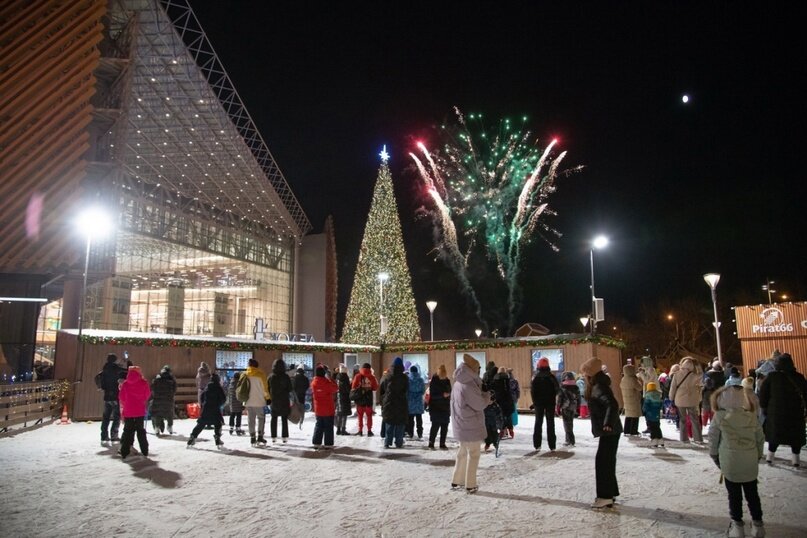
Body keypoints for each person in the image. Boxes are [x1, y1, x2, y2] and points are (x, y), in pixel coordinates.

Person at [709, 378, 766, 537]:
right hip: (749, 461)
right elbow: (760, 438)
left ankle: (738, 527)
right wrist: (757, 455)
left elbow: (713, 438)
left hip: (730, 461)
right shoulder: (751, 416)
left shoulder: (720, 416)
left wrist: (714, 455)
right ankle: (758, 526)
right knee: (752, 494)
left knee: (734, 496)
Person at [581, 357, 622, 508]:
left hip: (609, 430)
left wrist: (608, 424)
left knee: (603, 462)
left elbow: (612, 404)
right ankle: (610, 492)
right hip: (610, 429)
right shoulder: (600, 385)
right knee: (607, 461)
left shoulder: (599, 387)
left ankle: (605, 496)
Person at [451, 354, 491, 494]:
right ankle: (470, 484)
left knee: (462, 452)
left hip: (461, 423)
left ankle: (458, 480)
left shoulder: (458, 382)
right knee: (473, 454)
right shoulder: (468, 384)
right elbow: (479, 404)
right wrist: (487, 396)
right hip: (470, 424)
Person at [758, 352, 807, 467]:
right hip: (795, 412)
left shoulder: (772, 377)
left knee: (775, 434)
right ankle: (796, 459)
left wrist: (764, 407)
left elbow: (763, 393)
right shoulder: (799, 377)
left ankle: (770, 457)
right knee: (795, 436)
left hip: (775, 412)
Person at [118, 366, 151, 459]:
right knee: (141, 431)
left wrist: (127, 404)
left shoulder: (125, 384)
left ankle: (124, 451)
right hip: (139, 410)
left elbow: (121, 397)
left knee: (128, 431)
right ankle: (145, 450)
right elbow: (147, 395)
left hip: (128, 411)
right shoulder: (143, 383)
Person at [187, 373, 227, 448]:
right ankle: (217, 438)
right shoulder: (219, 388)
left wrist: (203, 405)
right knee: (218, 423)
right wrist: (219, 404)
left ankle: (193, 437)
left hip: (206, 408)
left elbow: (202, 397)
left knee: (201, 423)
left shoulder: (207, 387)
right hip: (215, 408)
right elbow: (223, 399)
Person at [669, 357, 703, 443]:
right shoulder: (695, 375)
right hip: (692, 400)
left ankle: (684, 438)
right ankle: (698, 438)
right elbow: (702, 381)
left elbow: (673, 388)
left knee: (682, 419)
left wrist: (671, 398)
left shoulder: (676, 374)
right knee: (694, 419)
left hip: (680, 400)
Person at [531, 357, 559, 451]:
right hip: (550, 403)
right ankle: (552, 446)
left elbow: (533, 391)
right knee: (550, 423)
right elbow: (557, 389)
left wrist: (534, 402)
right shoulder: (551, 377)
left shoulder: (536, 377)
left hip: (539, 403)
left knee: (538, 422)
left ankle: (537, 445)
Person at [381, 357, 409, 448]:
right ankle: (399, 442)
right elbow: (406, 389)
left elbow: (384, 389)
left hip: (389, 402)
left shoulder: (388, 376)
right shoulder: (404, 377)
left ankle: (387, 442)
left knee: (389, 422)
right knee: (400, 423)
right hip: (401, 402)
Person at [99, 353, 126, 444]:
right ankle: (114, 435)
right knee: (116, 416)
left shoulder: (105, 368)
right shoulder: (116, 369)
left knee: (106, 417)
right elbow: (125, 371)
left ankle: (104, 435)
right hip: (115, 395)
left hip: (107, 396)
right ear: (115, 360)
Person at [242, 358, 270, 446]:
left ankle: (252, 438)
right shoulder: (261, 375)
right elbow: (265, 389)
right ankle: (260, 436)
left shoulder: (244, 375)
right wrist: (268, 398)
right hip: (259, 401)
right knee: (261, 418)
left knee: (251, 420)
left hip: (248, 401)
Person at [311, 364, 338, 449]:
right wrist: (330, 378)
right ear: (324, 373)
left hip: (318, 409)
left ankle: (316, 442)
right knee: (328, 426)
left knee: (319, 425)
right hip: (328, 409)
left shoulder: (314, 383)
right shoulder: (327, 383)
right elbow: (336, 388)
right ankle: (328, 444)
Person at [268, 358, 293, 443]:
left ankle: (273, 437)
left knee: (273, 419)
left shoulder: (271, 376)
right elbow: (290, 388)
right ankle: (284, 437)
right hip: (284, 400)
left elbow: (267, 388)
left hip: (274, 400)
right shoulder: (286, 377)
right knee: (284, 419)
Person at [351, 362, 379, 436]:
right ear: (370, 368)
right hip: (368, 399)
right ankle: (369, 431)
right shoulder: (372, 377)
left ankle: (360, 431)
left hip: (360, 399)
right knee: (369, 416)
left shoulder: (357, 376)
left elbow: (353, 387)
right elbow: (375, 388)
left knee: (360, 416)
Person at [428, 365, 451, 449]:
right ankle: (431, 442)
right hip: (435, 407)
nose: (443, 377)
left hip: (445, 406)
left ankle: (442, 443)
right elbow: (432, 395)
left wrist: (448, 395)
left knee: (445, 426)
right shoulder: (434, 381)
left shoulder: (447, 380)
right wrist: (442, 395)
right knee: (435, 425)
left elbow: (450, 390)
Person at [149, 365, 176, 436]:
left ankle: (157, 428)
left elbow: (152, 387)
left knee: (158, 414)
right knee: (169, 413)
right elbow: (174, 390)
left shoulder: (157, 379)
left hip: (158, 399)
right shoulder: (172, 380)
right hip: (168, 400)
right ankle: (170, 426)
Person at [557, 371, 581, 447]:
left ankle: (570, 440)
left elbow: (559, 399)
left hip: (565, 407)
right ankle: (568, 440)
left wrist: (558, 408)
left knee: (567, 424)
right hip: (573, 407)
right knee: (570, 423)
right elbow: (578, 399)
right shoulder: (575, 387)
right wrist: (578, 407)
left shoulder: (563, 387)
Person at [492, 367, 515, 440]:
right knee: (508, 416)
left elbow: (494, 390)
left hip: (500, 401)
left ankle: (502, 431)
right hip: (509, 400)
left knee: (501, 416)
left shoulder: (496, 379)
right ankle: (511, 431)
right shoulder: (508, 379)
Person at [620, 364, 642, 436]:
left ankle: (626, 430)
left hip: (626, 399)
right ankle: (633, 430)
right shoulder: (633, 379)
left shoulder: (623, 379)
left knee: (628, 415)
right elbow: (639, 388)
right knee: (635, 415)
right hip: (633, 399)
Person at [407, 365, 426, 440]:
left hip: (410, 401)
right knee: (419, 419)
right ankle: (420, 433)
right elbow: (423, 390)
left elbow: (406, 391)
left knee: (410, 419)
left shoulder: (408, 379)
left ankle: (410, 433)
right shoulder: (420, 380)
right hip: (418, 401)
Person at [643, 382, 664, 447]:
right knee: (657, 427)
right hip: (657, 415)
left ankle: (654, 440)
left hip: (650, 415)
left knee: (652, 428)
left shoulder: (648, 396)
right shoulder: (658, 396)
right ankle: (660, 440)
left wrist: (644, 411)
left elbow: (645, 406)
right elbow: (661, 405)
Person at [335, 364, 352, 435]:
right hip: (345, 397)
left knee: (339, 413)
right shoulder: (345, 377)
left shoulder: (338, 377)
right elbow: (348, 389)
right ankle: (343, 429)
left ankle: (338, 429)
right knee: (344, 414)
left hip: (339, 396)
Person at [507, 368, 520, 434]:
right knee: (514, 410)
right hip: (514, 397)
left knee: (508, 411)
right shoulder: (515, 381)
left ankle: (508, 425)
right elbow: (518, 390)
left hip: (507, 398)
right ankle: (513, 423)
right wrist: (517, 397)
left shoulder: (505, 381)